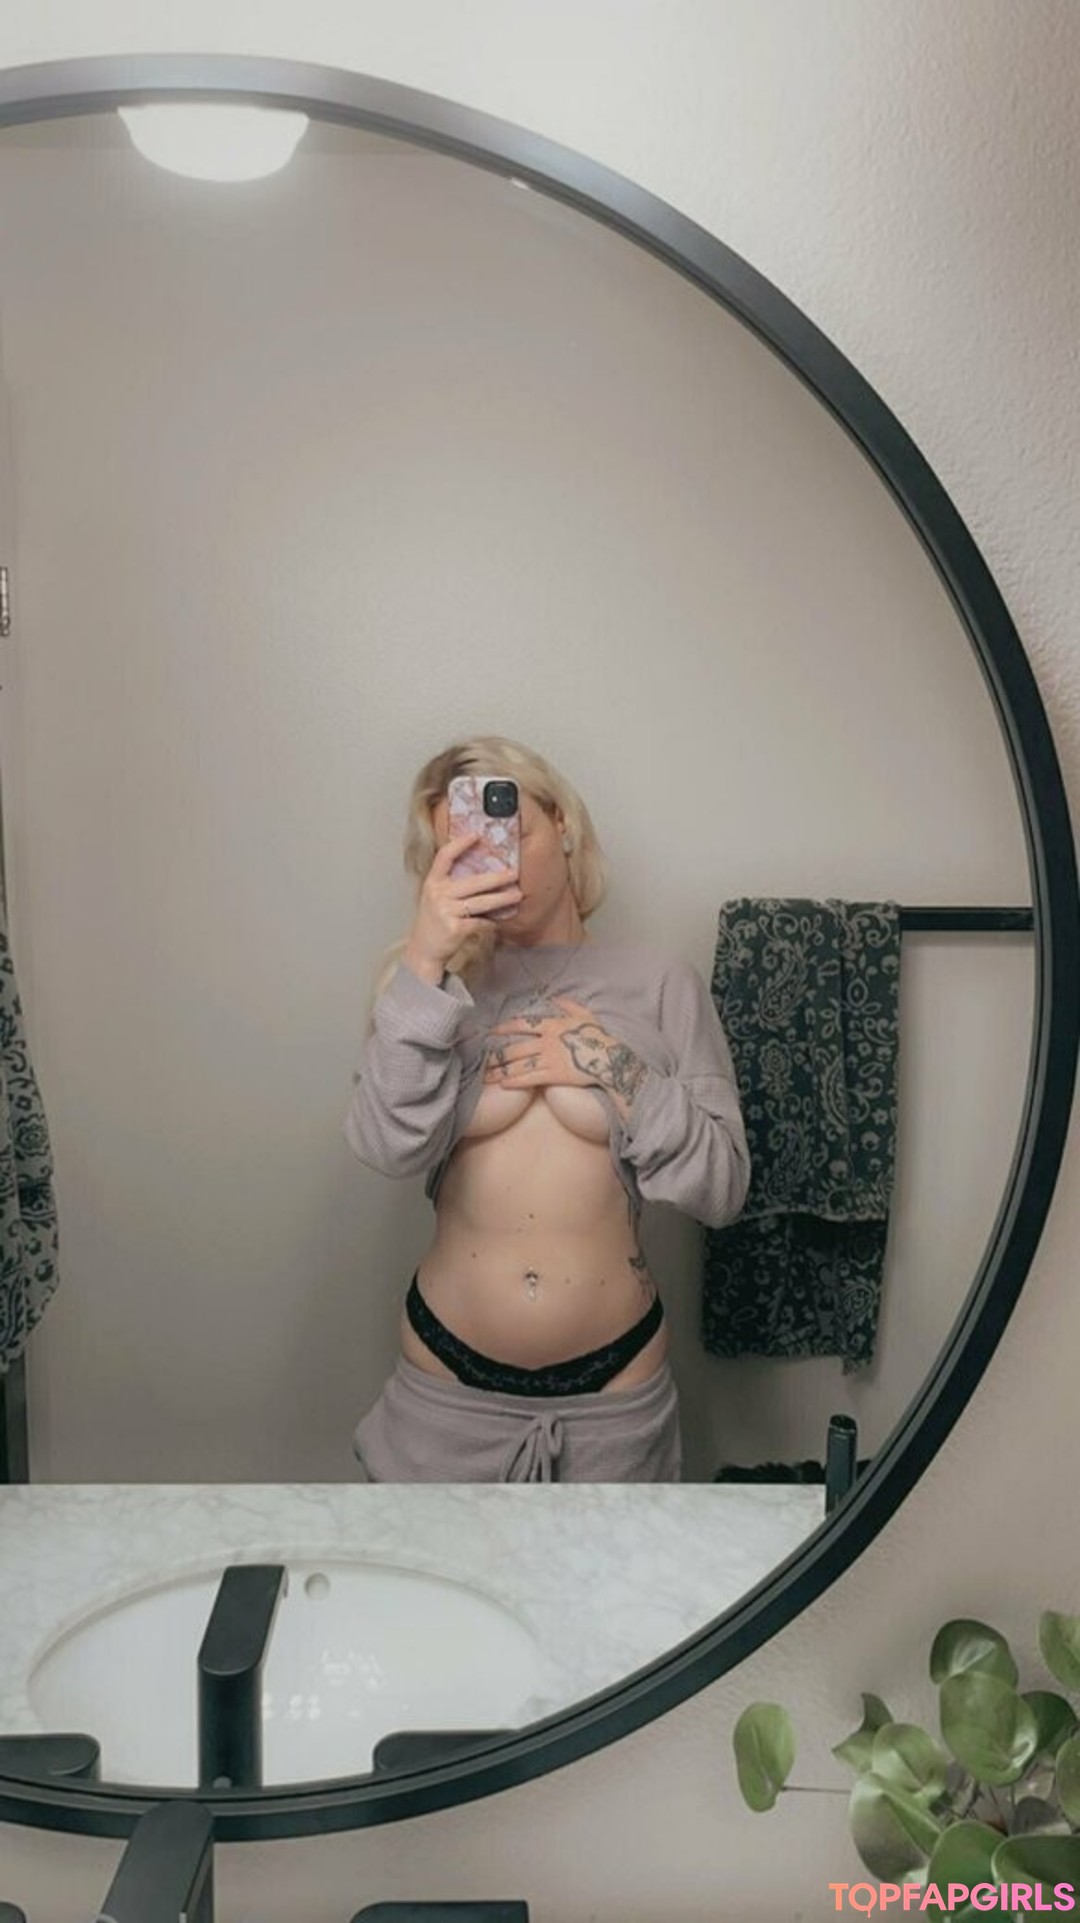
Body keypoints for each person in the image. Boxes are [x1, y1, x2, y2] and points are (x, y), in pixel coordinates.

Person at [344, 735, 750, 1482]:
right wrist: (425, 962)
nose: (494, 862)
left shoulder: (661, 983)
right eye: (463, 849)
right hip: (445, 1398)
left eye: (510, 831)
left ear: (562, 823)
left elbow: (723, 1189)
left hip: (615, 1400)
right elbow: (385, 1145)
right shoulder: (430, 992)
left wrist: (614, 1066)